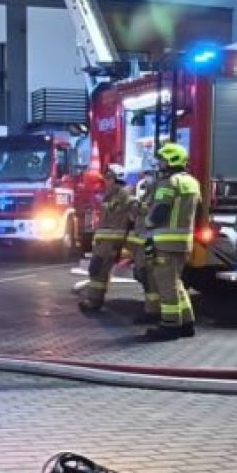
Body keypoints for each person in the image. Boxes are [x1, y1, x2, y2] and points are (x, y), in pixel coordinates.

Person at [141, 142, 201, 341]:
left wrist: (147, 223)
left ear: (171, 161)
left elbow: (160, 210)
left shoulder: (169, 182)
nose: (159, 165)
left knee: (166, 285)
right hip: (183, 242)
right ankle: (186, 323)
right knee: (175, 282)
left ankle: (170, 326)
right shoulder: (192, 182)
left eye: (162, 161)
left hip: (165, 242)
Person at [78, 164, 135, 313]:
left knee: (98, 269)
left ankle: (93, 301)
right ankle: (94, 300)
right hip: (103, 241)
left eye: (109, 178)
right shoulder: (110, 194)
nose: (106, 181)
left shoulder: (124, 194)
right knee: (97, 270)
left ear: (117, 178)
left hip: (111, 242)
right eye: (106, 178)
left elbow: (133, 215)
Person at [126, 174, 161, 325]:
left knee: (149, 276)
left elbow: (146, 211)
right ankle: (151, 309)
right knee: (145, 276)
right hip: (143, 241)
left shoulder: (157, 195)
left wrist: (134, 202)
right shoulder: (148, 194)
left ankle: (153, 311)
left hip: (149, 242)